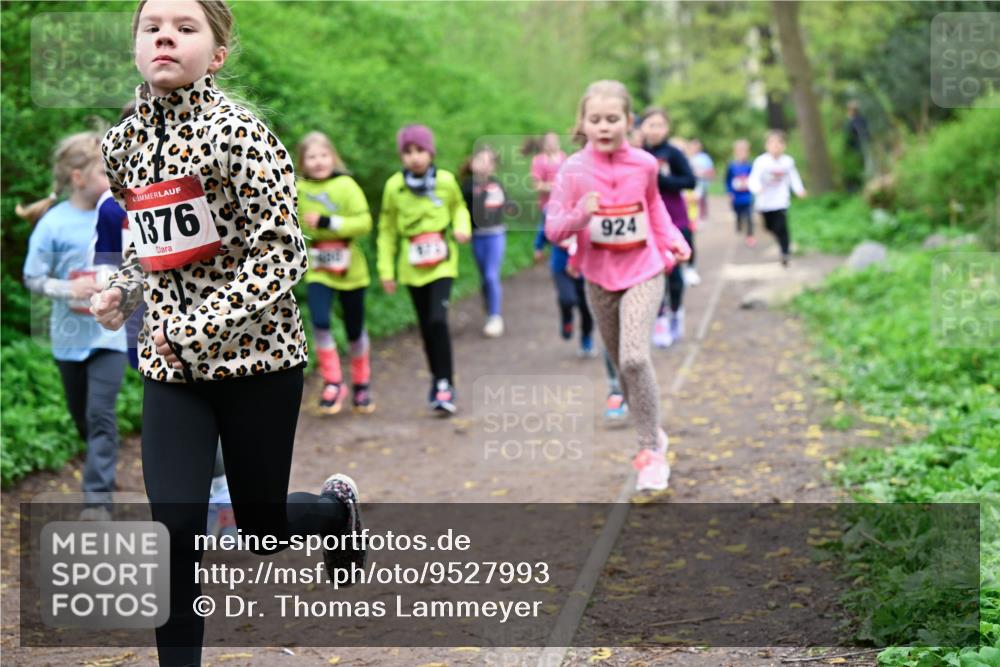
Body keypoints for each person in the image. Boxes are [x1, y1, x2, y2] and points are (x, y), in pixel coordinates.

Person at [89, 3, 364, 663]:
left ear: (215, 55)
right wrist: (122, 290)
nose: (164, 35)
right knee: (174, 529)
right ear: (136, 45)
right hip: (173, 372)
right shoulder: (122, 144)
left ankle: (331, 512)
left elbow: (284, 253)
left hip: (259, 363)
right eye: (152, 25)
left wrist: (196, 323)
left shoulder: (237, 134)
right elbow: (147, 247)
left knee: (262, 529)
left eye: (186, 28)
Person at [545, 80, 690, 492]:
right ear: (583, 123)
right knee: (621, 368)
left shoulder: (644, 164)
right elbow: (554, 227)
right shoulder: (572, 169)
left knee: (633, 360)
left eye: (612, 119)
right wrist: (578, 215)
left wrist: (673, 239)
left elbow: (654, 205)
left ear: (628, 121)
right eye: (595, 120)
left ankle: (650, 451)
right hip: (598, 277)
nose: (604, 127)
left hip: (644, 269)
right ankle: (654, 432)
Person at [19, 129, 128, 519]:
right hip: (68, 339)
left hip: (108, 337)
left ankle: (97, 501)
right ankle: (102, 466)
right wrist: (70, 288)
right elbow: (33, 278)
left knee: (101, 414)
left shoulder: (119, 214)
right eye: (104, 170)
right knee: (82, 415)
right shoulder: (53, 224)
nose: (113, 177)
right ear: (78, 177)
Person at [376, 124, 471, 415]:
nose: (415, 157)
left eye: (420, 151)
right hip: (411, 265)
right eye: (408, 152)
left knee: (438, 319)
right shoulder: (395, 186)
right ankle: (436, 378)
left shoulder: (445, 180)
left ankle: (445, 383)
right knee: (426, 327)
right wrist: (386, 270)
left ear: (430, 152)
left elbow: (459, 209)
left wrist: (462, 228)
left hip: (442, 262)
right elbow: (387, 229)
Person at [296, 131, 375, 414]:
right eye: (311, 157)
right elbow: (297, 228)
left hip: (351, 268)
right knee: (319, 321)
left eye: (323, 155)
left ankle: (361, 383)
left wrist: (328, 220)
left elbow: (364, 223)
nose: (318, 162)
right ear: (302, 162)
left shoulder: (346, 185)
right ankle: (333, 381)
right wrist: (310, 229)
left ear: (333, 157)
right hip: (319, 268)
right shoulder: (299, 190)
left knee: (355, 328)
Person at [637, 107, 696, 349]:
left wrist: (663, 180)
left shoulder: (673, 154)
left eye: (659, 125)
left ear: (667, 128)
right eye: (650, 125)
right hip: (647, 224)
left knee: (675, 277)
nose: (655, 130)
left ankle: (676, 311)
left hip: (676, 220)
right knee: (654, 273)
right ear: (642, 127)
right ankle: (659, 319)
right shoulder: (637, 154)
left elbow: (690, 181)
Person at [460, 144, 508, 338]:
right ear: (472, 164)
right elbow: (459, 210)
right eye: (480, 160)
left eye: (489, 161)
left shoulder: (498, 184)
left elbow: (508, 204)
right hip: (477, 237)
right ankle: (489, 308)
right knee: (484, 277)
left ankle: (495, 317)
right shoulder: (466, 187)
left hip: (496, 235)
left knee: (491, 275)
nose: (485, 164)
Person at [747, 130, 807, 267]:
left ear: (784, 145)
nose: (775, 146)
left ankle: (785, 252)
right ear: (767, 146)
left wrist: (799, 190)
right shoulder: (761, 161)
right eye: (772, 143)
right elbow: (753, 178)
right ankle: (780, 240)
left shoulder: (788, 162)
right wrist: (757, 188)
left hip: (781, 200)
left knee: (782, 226)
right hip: (764, 202)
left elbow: (793, 177)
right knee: (769, 226)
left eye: (779, 143)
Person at [725, 139, 755, 246]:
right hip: (736, 197)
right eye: (740, 151)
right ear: (735, 152)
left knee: (749, 216)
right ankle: (738, 224)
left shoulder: (750, 166)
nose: (742, 153)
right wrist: (729, 192)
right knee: (738, 213)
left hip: (747, 196)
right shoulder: (731, 166)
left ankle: (750, 235)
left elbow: (754, 179)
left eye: (744, 151)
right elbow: (727, 180)